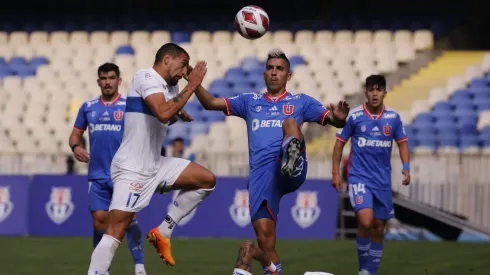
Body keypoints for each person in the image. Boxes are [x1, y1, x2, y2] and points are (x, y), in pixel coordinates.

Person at [191, 48, 350, 275]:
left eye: (280, 69)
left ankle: (289, 156)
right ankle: (270, 267)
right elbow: (211, 103)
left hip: (290, 170)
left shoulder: (300, 102)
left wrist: (340, 119)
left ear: (289, 76)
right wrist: (194, 82)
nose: (274, 73)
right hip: (261, 178)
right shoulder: (250, 102)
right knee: (266, 241)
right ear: (264, 74)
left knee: (290, 124)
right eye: (270, 68)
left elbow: (333, 120)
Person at [87, 43, 216, 275]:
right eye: (183, 64)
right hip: (131, 168)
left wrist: (176, 114)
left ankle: (163, 231)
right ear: (167, 59)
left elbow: (161, 118)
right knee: (116, 228)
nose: (185, 71)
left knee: (206, 180)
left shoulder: (170, 88)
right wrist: (193, 84)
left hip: (155, 164)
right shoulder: (145, 76)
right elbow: (163, 112)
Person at [69, 63, 147, 275]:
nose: (107, 82)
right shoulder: (88, 106)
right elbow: (75, 134)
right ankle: (102, 269)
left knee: (129, 220)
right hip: (97, 176)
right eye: (103, 78)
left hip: (124, 175)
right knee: (99, 222)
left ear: (119, 81)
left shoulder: (129, 105)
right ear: (98, 81)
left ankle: (139, 266)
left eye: (112, 77)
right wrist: (76, 147)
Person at [331, 75, 411, 275]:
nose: (375, 93)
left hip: (382, 181)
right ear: (366, 92)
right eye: (371, 89)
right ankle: (363, 268)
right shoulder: (355, 116)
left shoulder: (393, 118)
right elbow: (340, 143)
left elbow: (402, 142)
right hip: (359, 178)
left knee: (377, 227)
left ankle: (369, 271)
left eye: (379, 89)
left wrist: (406, 166)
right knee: (366, 221)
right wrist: (335, 173)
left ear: (385, 92)